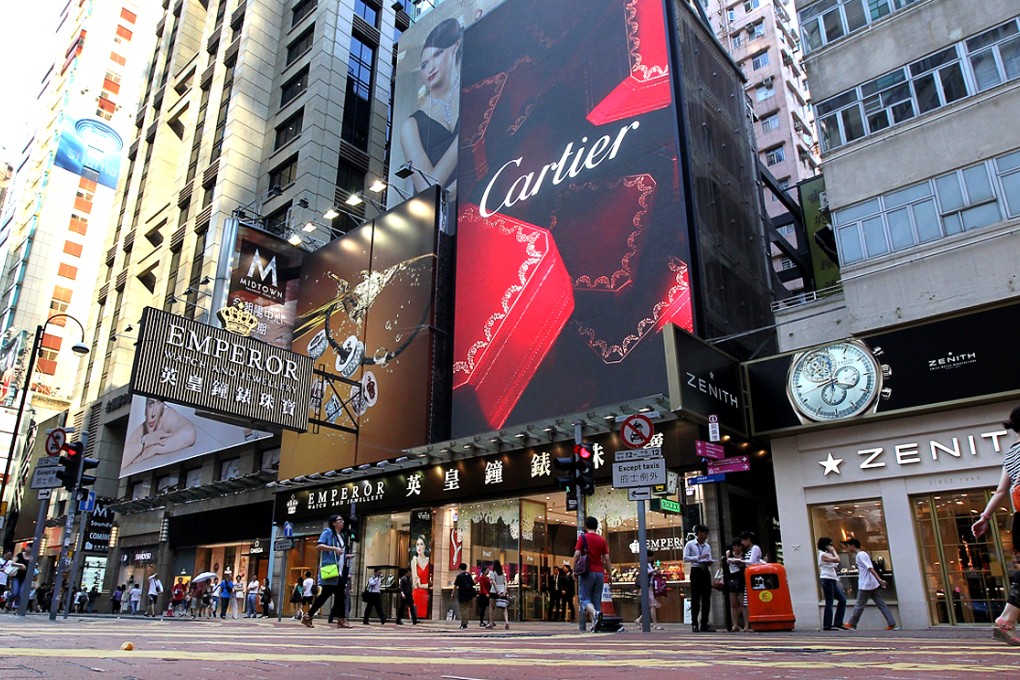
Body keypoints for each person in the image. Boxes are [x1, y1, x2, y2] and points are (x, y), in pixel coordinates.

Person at [398, 18, 463, 200]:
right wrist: (463, 139)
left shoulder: (473, 91)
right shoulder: (411, 126)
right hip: (434, 220)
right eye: (424, 64)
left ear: (455, 46)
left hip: (486, 198)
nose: (431, 67)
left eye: (438, 54)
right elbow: (428, 187)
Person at [972, 404, 1020, 645]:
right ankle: (1005, 620)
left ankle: (1006, 620)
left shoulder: (1011, 453)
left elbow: (1001, 489)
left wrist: (985, 517)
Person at [122, 398, 197, 471]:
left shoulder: (167, 416)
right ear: (145, 409)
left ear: (162, 409)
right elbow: (122, 461)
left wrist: (155, 449)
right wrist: (146, 440)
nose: (153, 414)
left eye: (158, 404)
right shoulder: (141, 429)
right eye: (150, 404)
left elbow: (190, 433)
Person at [303, 514, 350, 629]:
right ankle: (341, 620)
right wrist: (334, 548)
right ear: (334, 523)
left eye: (342, 520)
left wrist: (346, 556)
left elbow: (340, 552)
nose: (342, 522)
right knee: (334, 595)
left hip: (339, 570)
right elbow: (319, 546)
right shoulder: (328, 532)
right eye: (340, 520)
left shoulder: (341, 536)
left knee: (332, 595)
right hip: (331, 569)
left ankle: (308, 616)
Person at [842, 538, 898, 631]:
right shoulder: (862, 554)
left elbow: (870, 568)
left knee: (859, 604)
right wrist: (878, 581)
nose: (847, 548)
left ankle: (852, 623)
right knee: (880, 603)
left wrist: (880, 580)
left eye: (848, 546)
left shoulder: (860, 555)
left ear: (852, 545)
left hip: (866, 584)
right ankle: (892, 623)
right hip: (872, 583)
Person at [574, 516, 611, 633]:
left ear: (586, 526)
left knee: (583, 597)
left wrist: (574, 569)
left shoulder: (583, 538)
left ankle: (595, 613)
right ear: (597, 526)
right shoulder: (602, 540)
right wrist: (610, 574)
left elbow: (577, 554)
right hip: (600, 572)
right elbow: (607, 558)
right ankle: (595, 625)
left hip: (587, 571)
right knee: (596, 599)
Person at [683, 524, 714, 632]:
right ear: (699, 533)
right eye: (704, 533)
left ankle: (704, 624)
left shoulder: (707, 546)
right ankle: (694, 623)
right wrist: (698, 558)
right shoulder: (690, 544)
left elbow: (708, 557)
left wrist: (709, 562)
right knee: (695, 598)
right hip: (695, 571)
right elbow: (685, 558)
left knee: (706, 599)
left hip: (705, 571)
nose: (706, 536)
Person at [817, 536, 847, 631]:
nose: (831, 546)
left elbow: (836, 564)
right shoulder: (823, 555)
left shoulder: (826, 554)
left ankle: (838, 622)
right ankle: (827, 625)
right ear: (825, 546)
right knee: (829, 602)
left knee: (842, 600)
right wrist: (834, 551)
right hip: (827, 579)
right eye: (830, 544)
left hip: (832, 579)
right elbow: (838, 560)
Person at [725, 538, 748, 632]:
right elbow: (725, 564)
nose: (737, 548)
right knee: (733, 604)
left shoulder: (745, 555)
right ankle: (735, 624)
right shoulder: (729, 553)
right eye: (735, 546)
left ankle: (746, 625)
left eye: (738, 546)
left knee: (743, 603)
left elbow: (747, 565)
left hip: (742, 579)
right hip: (731, 579)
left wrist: (739, 563)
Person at [634, 561, 664, 630]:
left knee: (649, 606)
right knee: (652, 606)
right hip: (646, 589)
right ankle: (655, 624)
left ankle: (639, 620)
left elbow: (652, 575)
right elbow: (646, 573)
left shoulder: (651, 566)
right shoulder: (644, 566)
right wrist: (654, 570)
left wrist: (656, 571)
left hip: (650, 588)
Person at [410, 534, 432, 619]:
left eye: (421, 544)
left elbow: (430, 584)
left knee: (424, 619)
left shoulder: (429, 561)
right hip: (416, 594)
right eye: (417, 544)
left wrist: (422, 585)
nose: (419, 547)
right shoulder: (414, 561)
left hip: (425, 595)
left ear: (425, 546)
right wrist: (415, 562)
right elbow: (415, 583)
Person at [486, 560, 511, 630]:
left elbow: (493, 582)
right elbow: (505, 583)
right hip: (502, 590)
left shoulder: (493, 573)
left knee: (491, 607)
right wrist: (504, 591)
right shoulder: (502, 573)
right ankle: (507, 622)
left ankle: (491, 623)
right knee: (504, 607)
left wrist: (497, 591)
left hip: (494, 591)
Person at [453, 562, 475, 629]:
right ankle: (464, 622)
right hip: (469, 595)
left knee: (463, 609)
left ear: (460, 568)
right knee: (466, 609)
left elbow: (455, 586)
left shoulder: (459, 576)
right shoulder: (469, 575)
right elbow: (472, 584)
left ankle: (464, 623)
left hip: (462, 594)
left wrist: (453, 594)